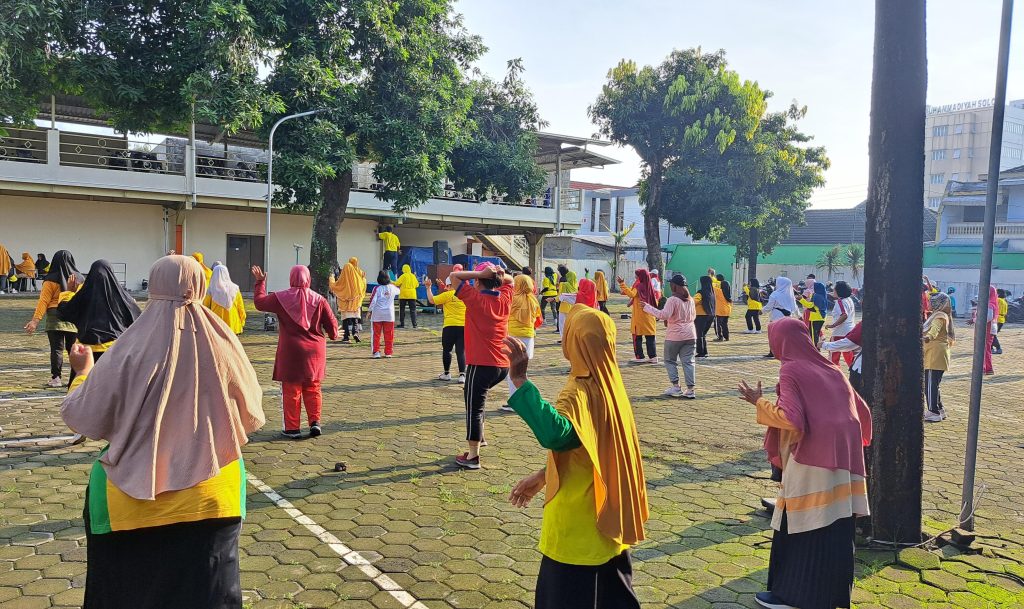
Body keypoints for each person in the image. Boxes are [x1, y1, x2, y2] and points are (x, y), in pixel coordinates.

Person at [61, 255, 265, 609]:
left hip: (128, 502)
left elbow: (83, 414)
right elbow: (253, 411)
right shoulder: (225, 342)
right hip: (215, 494)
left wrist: (82, 373)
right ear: (200, 285)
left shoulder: (129, 346)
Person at [505, 305, 648, 609]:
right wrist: (544, 475)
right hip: (611, 516)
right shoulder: (612, 383)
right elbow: (586, 444)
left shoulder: (578, 390)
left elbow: (558, 435)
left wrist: (520, 380)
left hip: (580, 525)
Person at [738, 317, 871, 609]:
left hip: (813, 463)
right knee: (836, 527)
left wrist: (759, 403)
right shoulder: (831, 367)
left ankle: (793, 597)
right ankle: (830, 596)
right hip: (845, 464)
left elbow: (792, 420)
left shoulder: (791, 369)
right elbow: (860, 411)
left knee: (802, 524)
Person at [253, 265, 339, 438]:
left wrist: (260, 282)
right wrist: (333, 334)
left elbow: (259, 302)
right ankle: (315, 422)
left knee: (291, 389)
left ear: (291, 278)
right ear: (309, 279)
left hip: (290, 350)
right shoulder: (320, 299)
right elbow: (332, 326)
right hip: (315, 350)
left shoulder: (280, 298)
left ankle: (292, 429)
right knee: (313, 387)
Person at [449, 264, 514, 470]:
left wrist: (482, 273)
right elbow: (511, 281)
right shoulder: (504, 298)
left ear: (478, 281)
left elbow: (453, 276)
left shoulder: (475, 299)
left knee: (473, 407)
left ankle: (473, 456)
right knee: (479, 401)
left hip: (481, 364)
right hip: (502, 365)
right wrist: (494, 276)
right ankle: (481, 437)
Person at [57, 259, 142, 361]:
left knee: (83, 376)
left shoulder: (84, 295)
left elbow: (64, 313)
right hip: (114, 351)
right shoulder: (122, 297)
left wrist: (69, 292)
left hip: (86, 352)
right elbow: (137, 318)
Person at [25, 250, 82, 387]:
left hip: (54, 316)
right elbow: (83, 300)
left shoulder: (50, 279)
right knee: (73, 349)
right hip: (73, 317)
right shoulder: (79, 279)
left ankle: (56, 378)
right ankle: (78, 377)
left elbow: (43, 301)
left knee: (56, 349)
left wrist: (35, 320)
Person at [644, 275, 697, 399]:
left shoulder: (673, 300)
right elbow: (694, 316)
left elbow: (664, 315)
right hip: (690, 334)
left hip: (675, 335)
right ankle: (690, 389)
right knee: (688, 362)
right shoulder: (690, 299)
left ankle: (676, 386)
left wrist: (647, 308)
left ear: (674, 286)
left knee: (669, 360)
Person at [501, 274, 543, 411]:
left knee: (512, 372)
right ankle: (526, 399)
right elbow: (538, 318)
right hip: (529, 337)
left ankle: (515, 402)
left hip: (513, 336)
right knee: (522, 371)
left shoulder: (513, 298)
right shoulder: (533, 300)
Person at [424, 275, 466, 383]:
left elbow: (432, 300)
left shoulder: (447, 295)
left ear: (448, 285)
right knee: (461, 351)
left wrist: (428, 288)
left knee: (447, 350)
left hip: (449, 326)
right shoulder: (465, 295)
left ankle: (447, 373)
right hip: (464, 326)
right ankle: (462, 375)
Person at [923, 293, 954, 423]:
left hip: (934, 354)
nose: (929, 303)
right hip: (936, 353)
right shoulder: (939, 315)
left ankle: (933, 411)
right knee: (934, 384)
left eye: (932, 302)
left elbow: (934, 330)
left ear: (938, 304)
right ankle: (939, 409)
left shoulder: (939, 316)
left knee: (930, 385)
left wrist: (928, 337)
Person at [618, 270, 658, 364]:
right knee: (650, 337)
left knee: (637, 337)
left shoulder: (639, 286)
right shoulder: (650, 287)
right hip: (649, 316)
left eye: (637, 275)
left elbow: (631, 294)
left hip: (640, 317)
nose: (636, 276)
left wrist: (622, 284)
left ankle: (640, 356)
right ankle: (653, 357)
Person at [329, 257, 367, 343]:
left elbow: (334, 286)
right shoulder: (358, 277)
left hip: (344, 304)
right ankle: (355, 333)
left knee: (345, 320)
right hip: (355, 303)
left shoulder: (343, 279)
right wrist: (364, 278)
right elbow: (363, 285)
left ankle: (346, 337)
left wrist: (331, 278)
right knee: (355, 319)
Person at [202, 264, 247, 334]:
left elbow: (205, 307)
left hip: (217, 325)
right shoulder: (235, 288)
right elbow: (240, 308)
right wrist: (242, 322)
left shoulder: (211, 289)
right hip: (234, 325)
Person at [367, 271, 401, 359]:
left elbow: (373, 301)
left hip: (377, 315)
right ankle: (388, 352)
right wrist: (392, 283)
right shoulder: (392, 288)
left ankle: (376, 352)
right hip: (389, 315)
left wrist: (369, 311)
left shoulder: (376, 288)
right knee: (389, 334)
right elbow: (399, 291)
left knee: (376, 334)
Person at [762, 276, 797, 359]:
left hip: (776, 317)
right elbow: (795, 307)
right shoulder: (790, 295)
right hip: (788, 317)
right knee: (785, 336)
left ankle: (773, 352)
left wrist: (762, 311)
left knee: (773, 335)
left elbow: (769, 306)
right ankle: (785, 352)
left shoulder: (775, 294)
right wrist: (799, 316)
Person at [824, 281, 856, 368]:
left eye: (834, 289)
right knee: (849, 356)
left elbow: (844, 315)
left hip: (840, 332)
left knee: (833, 358)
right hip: (850, 331)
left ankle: (834, 376)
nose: (833, 290)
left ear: (839, 291)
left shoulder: (840, 302)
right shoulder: (849, 300)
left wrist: (833, 325)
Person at [693, 275, 717, 359]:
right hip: (710, 315)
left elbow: (694, 301)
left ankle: (700, 353)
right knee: (703, 334)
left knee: (699, 334)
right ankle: (705, 351)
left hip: (700, 316)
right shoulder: (712, 293)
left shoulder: (701, 292)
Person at [798, 282, 828, 347]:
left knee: (813, 334)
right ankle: (817, 347)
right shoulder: (824, 295)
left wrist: (801, 300)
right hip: (822, 317)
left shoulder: (816, 295)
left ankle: (814, 348)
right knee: (816, 333)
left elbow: (810, 306)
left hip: (815, 317)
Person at [394, 264, 420, 329]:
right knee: (413, 310)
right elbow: (417, 285)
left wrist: (390, 281)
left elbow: (397, 283)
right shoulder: (413, 276)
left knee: (402, 310)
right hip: (412, 295)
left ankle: (402, 324)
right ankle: (414, 324)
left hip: (403, 295)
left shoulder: (403, 276)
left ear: (404, 269)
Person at [556, 267, 579, 341]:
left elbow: (560, 295)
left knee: (562, 324)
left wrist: (553, 299)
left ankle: (563, 338)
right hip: (573, 307)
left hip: (564, 306)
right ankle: (571, 338)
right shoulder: (576, 285)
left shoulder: (564, 284)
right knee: (571, 324)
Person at [714, 273, 732, 341]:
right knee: (725, 324)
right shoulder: (728, 296)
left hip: (719, 310)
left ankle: (720, 337)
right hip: (727, 310)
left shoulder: (718, 291)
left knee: (717, 324)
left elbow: (712, 285)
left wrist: (711, 275)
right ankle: (726, 337)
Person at [992, 288, 1007, 355]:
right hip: (1002, 319)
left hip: (997, 319)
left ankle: (998, 348)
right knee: (992, 334)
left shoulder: (998, 300)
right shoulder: (1004, 301)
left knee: (992, 335)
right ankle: (991, 348)